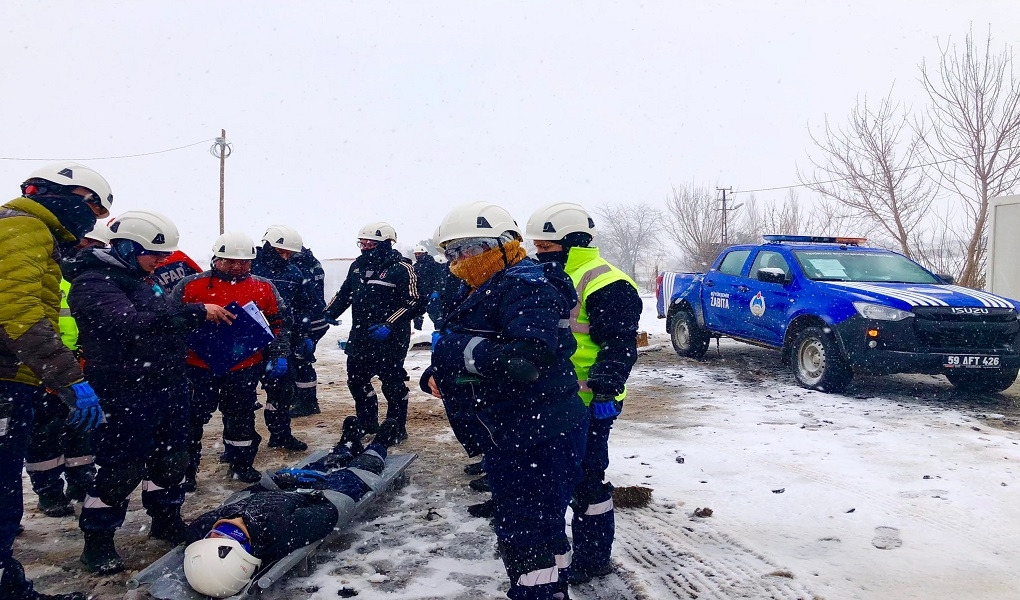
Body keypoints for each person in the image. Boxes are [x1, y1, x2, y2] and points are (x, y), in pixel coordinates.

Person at [423, 201, 588, 600]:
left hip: (537, 434)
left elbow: (525, 360)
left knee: (528, 536)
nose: (460, 261)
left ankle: (540, 592)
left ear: (503, 245)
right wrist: (439, 374)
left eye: (469, 249)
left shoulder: (528, 285)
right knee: (537, 531)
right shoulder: (483, 284)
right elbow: (482, 346)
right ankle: (552, 586)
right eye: (453, 252)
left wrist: (457, 350)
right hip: (509, 431)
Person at [67, 210, 231, 574]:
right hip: (124, 388)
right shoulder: (94, 281)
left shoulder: (144, 278)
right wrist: (194, 313)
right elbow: (128, 324)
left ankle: (165, 518)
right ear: (126, 246)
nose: (161, 261)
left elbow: (162, 323)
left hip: (166, 384)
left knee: (172, 458)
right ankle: (98, 539)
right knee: (121, 468)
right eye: (155, 254)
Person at [0, 161, 113, 600]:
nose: (91, 221)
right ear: (66, 195)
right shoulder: (24, 228)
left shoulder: (30, 231)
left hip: (18, 376)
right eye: (93, 210)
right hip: (8, 377)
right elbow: (18, 312)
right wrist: (68, 379)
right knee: (4, 492)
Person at [526, 202, 642, 586]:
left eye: (546, 246)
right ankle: (554, 559)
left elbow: (619, 344)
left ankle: (593, 558)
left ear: (571, 242)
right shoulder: (541, 277)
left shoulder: (606, 281)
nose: (539, 252)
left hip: (591, 401)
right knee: (550, 480)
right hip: (550, 400)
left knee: (587, 480)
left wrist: (606, 387)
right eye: (538, 247)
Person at [181, 417, 401, 598]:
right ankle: (380, 443)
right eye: (229, 534)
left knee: (328, 462)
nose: (222, 527)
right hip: (323, 491)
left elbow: (205, 525)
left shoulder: (203, 529)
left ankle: (348, 442)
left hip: (282, 488)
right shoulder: (281, 530)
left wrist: (275, 481)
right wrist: (312, 492)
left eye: (216, 533)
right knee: (361, 468)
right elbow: (329, 513)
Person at [172, 232, 292, 486]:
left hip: (244, 367)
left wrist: (279, 355)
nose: (237, 267)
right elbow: (170, 320)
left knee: (241, 416)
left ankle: (241, 464)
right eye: (230, 261)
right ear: (216, 259)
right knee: (191, 419)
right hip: (197, 366)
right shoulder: (191, 285)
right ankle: (185, 471)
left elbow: (278, 322)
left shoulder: (263, 287)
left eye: (244, 262)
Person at [25, 220, 110, 518]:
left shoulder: (92, 281)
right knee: (44, 433)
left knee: (82, 427)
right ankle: (48, 491)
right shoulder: (49, 277)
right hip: (43, 368)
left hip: (81, 366)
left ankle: (80, 480)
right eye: (90, 245)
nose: (91, 252)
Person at [324, 222, 421, 441]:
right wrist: (329, 313)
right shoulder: (357, 267)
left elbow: (415, 301)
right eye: (362, 243)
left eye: (371, 243)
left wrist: (389, 323)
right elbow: (345, 293)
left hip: (391, 338)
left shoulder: (401, 268)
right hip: (361, 335)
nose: (365, 247)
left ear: (386, 244)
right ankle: (368, 422)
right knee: (356, 380)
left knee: (392, 383)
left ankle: (395, 426)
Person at [251, 225, 309, 450]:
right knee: (240, 397)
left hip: (280, 338)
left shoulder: (294, 273)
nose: (285, 257)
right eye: (280, 252)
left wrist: (304, 334)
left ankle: (280, 434)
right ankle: (236, 446)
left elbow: (303, 306)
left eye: (289, 254)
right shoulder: (250, 265)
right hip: (246, 340)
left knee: (283, 390)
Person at [288, 242, 328, 417]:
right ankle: (300, 397)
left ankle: (307, 401)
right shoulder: (311, 262)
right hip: (314, 318)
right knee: (299, 360)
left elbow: (303, 297)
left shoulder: (298, 266)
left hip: (309, 321)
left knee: (300, 360)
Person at [411, 245, 444, 331]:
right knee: (417, 314)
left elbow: (440, 278)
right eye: (416, 254)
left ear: (425, 253)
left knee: (435, 314)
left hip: (432, 294)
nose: (418, 256)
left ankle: (440, 331)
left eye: (420, 254)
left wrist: (436, 290)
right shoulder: (415, 267)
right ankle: (417, 331)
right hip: (420, 294)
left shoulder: (434, 264)